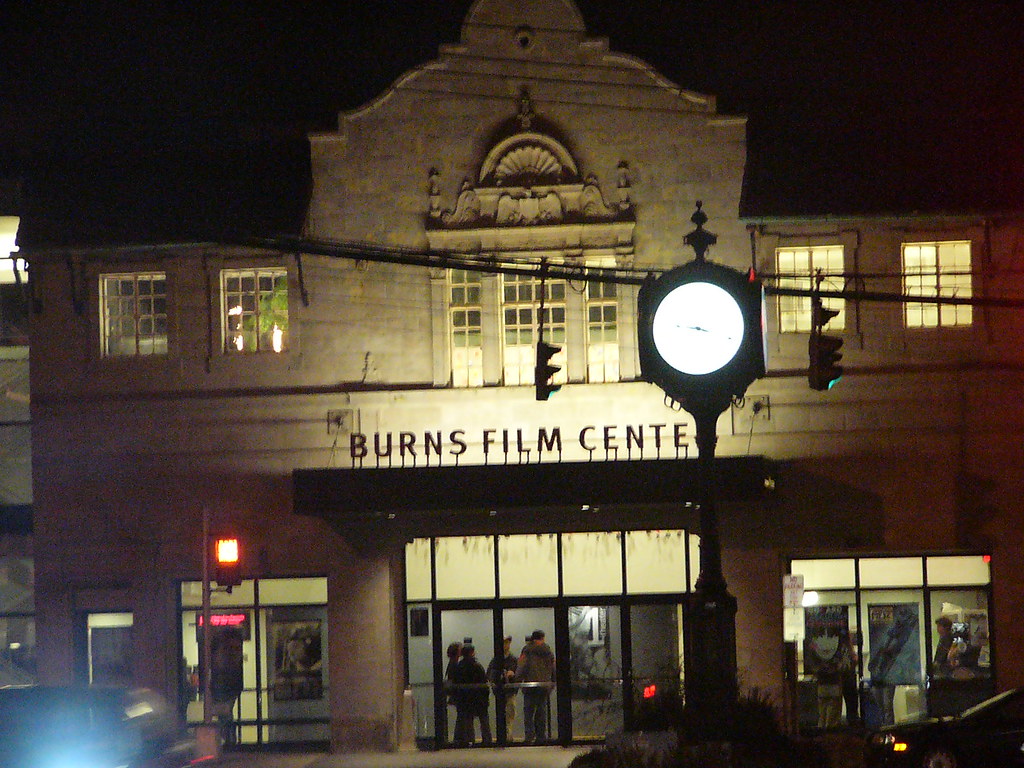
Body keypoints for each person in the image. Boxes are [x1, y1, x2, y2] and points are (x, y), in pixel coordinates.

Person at [516, 629, 555, 743]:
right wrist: (552, 682)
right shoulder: (548, 651)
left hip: (529, 686)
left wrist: (517, 680)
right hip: (544, 686)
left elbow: (521, 666)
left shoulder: (527, 650)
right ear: (543, 638)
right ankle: (541, 737)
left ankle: (529, 736)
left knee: (528, 712)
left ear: (532, 638)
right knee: (541, 711)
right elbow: (554, 667)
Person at [452, 644, 491, 746]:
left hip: (465, 699)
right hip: (479, 698)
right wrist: (486, 696)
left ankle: (470, 740)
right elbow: (484, 682)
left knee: (468, 721)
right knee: (484, 721)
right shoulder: (477, 666)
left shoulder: (459, 667)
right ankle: (487, 740)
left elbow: (456, 683)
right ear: (472, 653)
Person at [487, 635, 517, 730]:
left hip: (510, 692)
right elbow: (489, 674)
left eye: (507, 643)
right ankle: (503, 736)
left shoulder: (513, 659)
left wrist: (513, 674)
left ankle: (509, 737)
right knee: (500, 715)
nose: (505, 645)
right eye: (503, 643)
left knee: (510, 715)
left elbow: (520, 675)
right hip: (499, 692)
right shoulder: (495, 660)